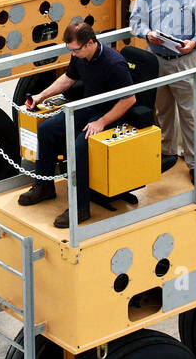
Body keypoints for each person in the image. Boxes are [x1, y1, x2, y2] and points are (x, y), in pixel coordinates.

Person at [18, 20, 135, 228]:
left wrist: (101, 122)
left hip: (109, 114)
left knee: (80, 146)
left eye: (76, 49)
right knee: (46, 130)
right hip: (90, 107)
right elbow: (68, 78)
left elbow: (129, 100)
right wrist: (41, 96)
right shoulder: (80, 57)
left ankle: (81, 208)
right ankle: (44, 186)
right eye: (69, 49)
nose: (72, 54)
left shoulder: (114, 63)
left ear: (90, 43)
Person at [129, 0, 196, 182]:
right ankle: (167, 153)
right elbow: (135, 22)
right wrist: (148, 34)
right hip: (156, 61)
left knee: (189, 113)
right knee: (163, 110)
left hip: (183, 61)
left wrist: (193, 43)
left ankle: (195, 163)